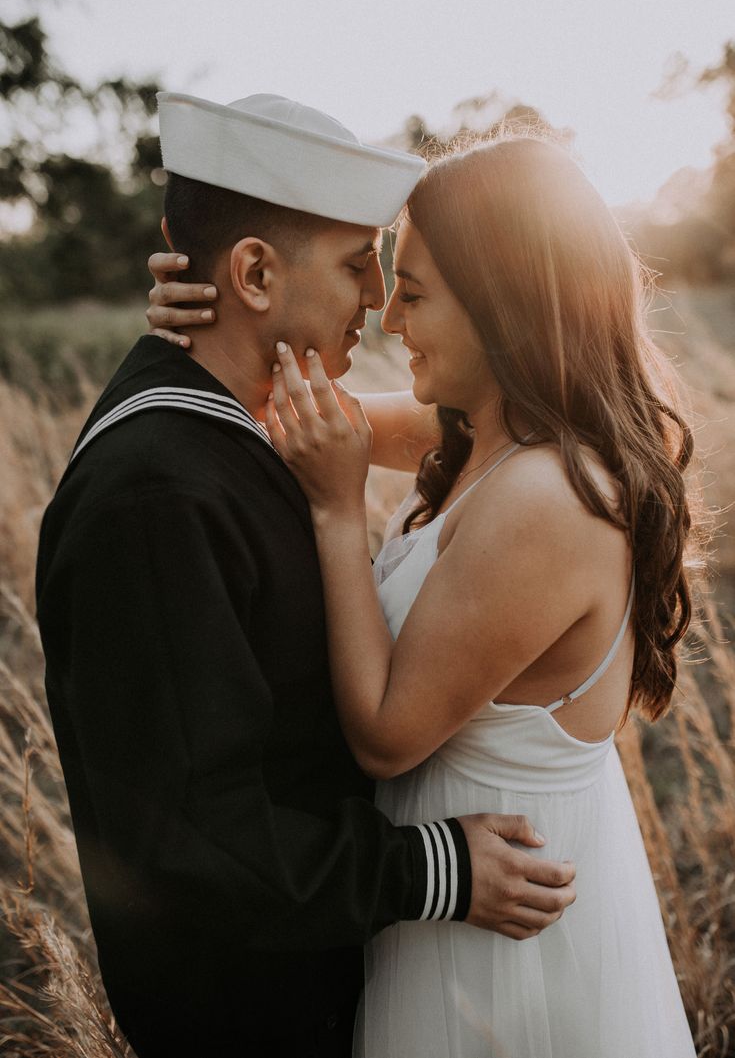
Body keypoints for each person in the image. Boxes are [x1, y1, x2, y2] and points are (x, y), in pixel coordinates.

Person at [36, 94, 577, 1058]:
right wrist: (430, 870)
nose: (374, 298)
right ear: (252, 271)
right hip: (249, 1017)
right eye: (352, 263)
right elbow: (197, 839)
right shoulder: (156, 494)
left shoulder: (230, 423)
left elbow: (500, 426)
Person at [148, 134, 698, 1055]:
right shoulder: (484, 436)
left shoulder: (547, 498)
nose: (390, 319)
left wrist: (334, 512)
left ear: (505, 306)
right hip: (452, 897)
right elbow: (306, 409)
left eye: (414, 292)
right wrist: (208, 326)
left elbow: (384, 732)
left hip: (498, 954)